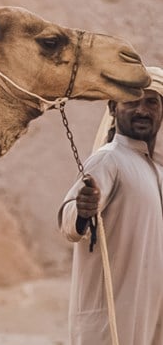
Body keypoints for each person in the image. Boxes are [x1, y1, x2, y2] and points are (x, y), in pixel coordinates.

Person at [58, 65, 163, 344]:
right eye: (132, 101)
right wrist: (82, 211)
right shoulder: (109, 159)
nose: (142, 110)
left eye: (152, 102)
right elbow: (70, 221)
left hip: (146, 321)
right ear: (114, 108)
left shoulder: (156, 172)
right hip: (109, 326)